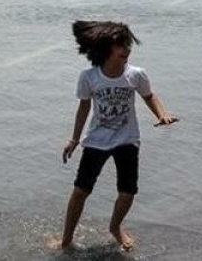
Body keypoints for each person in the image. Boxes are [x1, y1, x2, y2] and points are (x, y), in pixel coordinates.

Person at [58, 21, 179, 252]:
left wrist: (163, 115)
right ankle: (66, 239)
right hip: (96, 140)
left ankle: (115, 228)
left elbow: (149, 96)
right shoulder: (89, 77)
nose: (127, 49)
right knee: (81, 191)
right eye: (121, 45)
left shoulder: (136, 75)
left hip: (127, 139)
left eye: (128, 44)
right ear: (106, 49)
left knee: (128, 191)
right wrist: (74, 140)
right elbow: (83, 108)